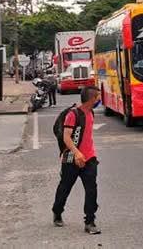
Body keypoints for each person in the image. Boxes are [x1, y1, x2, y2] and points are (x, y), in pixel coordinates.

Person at [52, 86, 101, 234]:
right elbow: (66, 137)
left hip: (89, 158)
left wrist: (86, 154)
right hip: (71, 158)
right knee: (65, 188)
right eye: (98, 97)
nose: (100, 100)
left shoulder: (91, 113)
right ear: (92, 99)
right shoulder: (73, 115)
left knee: (91, 190)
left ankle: (90, 222)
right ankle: (57, 211)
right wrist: (77, 153)